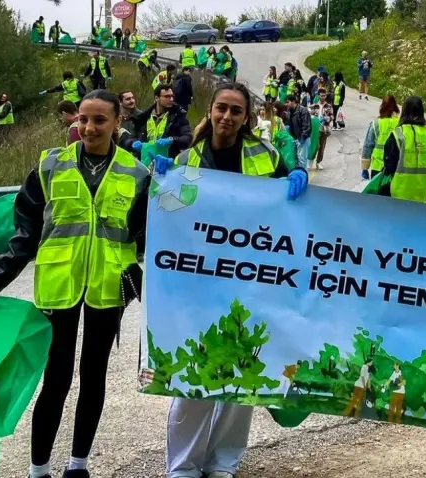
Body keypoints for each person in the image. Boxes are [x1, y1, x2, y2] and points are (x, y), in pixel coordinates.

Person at [0, 89, 150, 478]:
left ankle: (78, 466)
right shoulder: (49, 165)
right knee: (55, 380)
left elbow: (151, 238)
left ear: (117, 123)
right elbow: (24, 236)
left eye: (99, 120)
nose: (89, 127)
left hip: (108, 289)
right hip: (58, 287)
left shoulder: (138, 174)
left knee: (93, 379)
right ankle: (38, 469)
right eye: (83, 119)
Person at [162, 83, 306, 478]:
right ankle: (184, 465)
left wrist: (298, 172)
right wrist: (160, 185)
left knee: (243, 373)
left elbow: (293, 211)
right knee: (195, 369)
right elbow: (170, 215)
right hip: (200, 281)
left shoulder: (266, 155)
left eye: (236, 111)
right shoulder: (187, 157)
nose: (227, 117)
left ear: (247, 118)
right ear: (209, 111)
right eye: (221, 108)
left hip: (253, 279)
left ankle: (224, 462)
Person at [377, 96, 426, 203]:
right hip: (422, 190)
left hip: (399, 190)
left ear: (404, 110)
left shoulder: (398, 134)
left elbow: (389, 165)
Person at [128, 84, 192, 158]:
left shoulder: (178, 116)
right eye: (167, 96)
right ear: (157, 98)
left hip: (167, 161)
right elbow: (130, 138)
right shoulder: (143, 118)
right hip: (145, 161)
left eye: (172, 96)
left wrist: (172, 140)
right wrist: (133, 143)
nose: (171, 99)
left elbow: (188, 138)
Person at [362, 95, 400, 180]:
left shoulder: (376, 124)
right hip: (396, 168)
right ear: (396, 107)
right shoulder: (401, 124)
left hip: (378, 166)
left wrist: (365, 167)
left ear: (382, 107)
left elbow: (368, 146)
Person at [285, 94, 313, 170]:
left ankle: (303, 178)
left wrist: (302, 139)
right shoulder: (289, 112)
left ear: (293, 101)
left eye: (287, 102)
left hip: (302, 139)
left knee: (302, 160)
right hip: (294, 138)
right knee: (296, 160)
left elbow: (306, 126)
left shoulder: (303, 111)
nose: (286, 104)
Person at [313, 89, 334, 170]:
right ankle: (311, 159)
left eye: (324, 96)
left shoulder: (329, 106)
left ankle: (318, 162)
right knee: (315, 145)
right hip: (315, 128)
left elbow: (332, 116)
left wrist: (327, 118)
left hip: (324, 129)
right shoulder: (314, 105)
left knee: (322, 146)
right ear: (318, 96)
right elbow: (309, 115)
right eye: (321, 95)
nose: (323, 97)